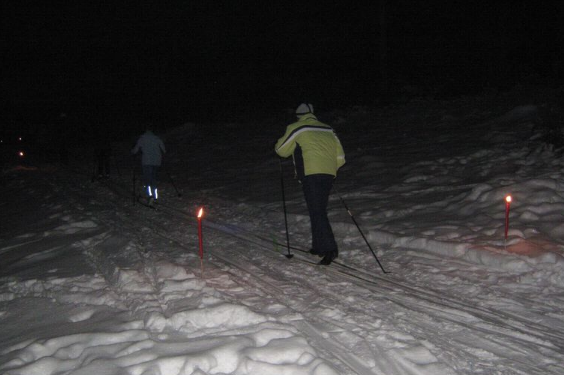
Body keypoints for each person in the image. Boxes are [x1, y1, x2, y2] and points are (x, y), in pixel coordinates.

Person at [275, 103, 346, 265]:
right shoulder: (328, 129)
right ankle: (318, 246)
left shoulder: (297, 127)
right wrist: (327, 167)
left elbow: (281, 150)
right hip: (328, 174)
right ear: (313, 113)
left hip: (311, 174)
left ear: (298, 115)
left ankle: (330, 249)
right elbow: (341, 158)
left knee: (317, 210)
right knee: (317, 209)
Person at [131, 124, 166, 206]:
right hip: (157, 162)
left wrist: (132, 151)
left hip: (147, 162)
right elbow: (164, 150)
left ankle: (149, 196)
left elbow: (135, 150)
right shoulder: (156, 138)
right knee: (154, 178)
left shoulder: (142, 138)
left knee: (147, 179)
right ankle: (155, 196)